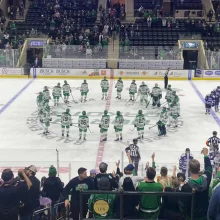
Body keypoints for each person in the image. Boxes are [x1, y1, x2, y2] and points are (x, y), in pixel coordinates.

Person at [179, 148, 212, 220]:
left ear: (189, 170)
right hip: (204, 216)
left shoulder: (186, 187)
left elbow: (182, 206)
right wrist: (205, 155)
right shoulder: (206, 180)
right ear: (199, 169)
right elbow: (209, 169)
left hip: (191, 216)